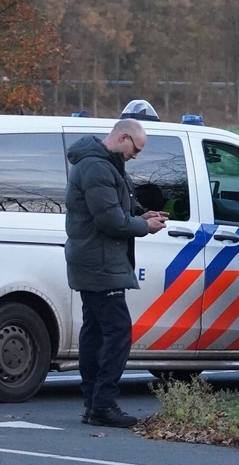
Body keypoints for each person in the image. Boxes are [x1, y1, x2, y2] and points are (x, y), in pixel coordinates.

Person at [65, 119, 168, 428]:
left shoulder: (101, 163)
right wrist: (144, 227)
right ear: (124, 137)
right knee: (118, 331)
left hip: (96, 258)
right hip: (100, 261)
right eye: (135, 149)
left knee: (96, 330)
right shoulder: (98, 167)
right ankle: (104, 404)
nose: (135, 156)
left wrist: (139, 215)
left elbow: (113, 209)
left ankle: (92, 403)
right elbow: (109, 219)